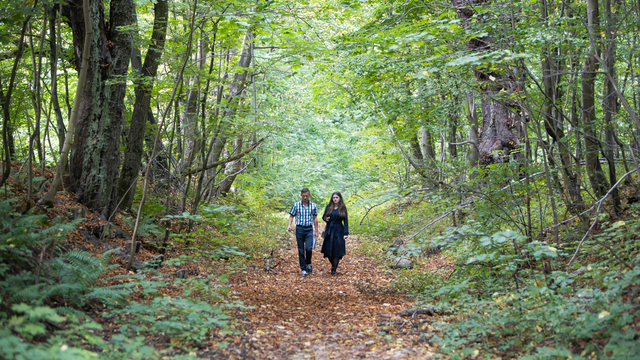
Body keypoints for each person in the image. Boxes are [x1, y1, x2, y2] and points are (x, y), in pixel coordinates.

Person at [287, 188, 319, 276]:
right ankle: (303, 269)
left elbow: (315, 218)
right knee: (301, 250)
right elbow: (291, 216)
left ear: (309, 195)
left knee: (309, 248)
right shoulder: (296, 205)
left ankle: (308, 263)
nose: (305, 197)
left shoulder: (313, 205)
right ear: (301, 195)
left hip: (309, 229)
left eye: (306, 195)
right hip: (299, 229)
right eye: (303, 195)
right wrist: (289, 225)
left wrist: (316, 230)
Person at [321, 191, 348, 276]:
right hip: (329, 229)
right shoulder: (329, 207)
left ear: (340, 198)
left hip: (339, 230)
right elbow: (323, 217)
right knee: (328, 249)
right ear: (332, 199)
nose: (335, 199)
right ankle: (333, 265)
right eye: (334, 197)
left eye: (337, 197)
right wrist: (326, 219)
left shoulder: (342, 207)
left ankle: (334, 270)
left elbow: (346, 221)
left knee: (337, 249)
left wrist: (345, 233)